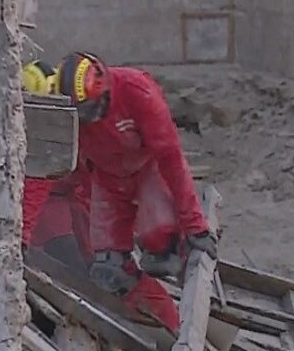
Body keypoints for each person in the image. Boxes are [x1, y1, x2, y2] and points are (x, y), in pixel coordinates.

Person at [46, 52, 216, 333]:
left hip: (148, 170)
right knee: (110, 270)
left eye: (91, 110)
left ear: (105, 91)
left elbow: (172, 159)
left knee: (161, 244)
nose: (90, 120)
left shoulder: (137, 91)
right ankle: (165, 327)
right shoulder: (70, 115)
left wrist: (195, 226)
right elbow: (76, 173)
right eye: (82, 114)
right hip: (108, 179)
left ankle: (191, 320)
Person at [20, 60, 89, 274]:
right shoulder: (45, 133)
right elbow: (38, 182)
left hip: (83, 197)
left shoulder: (81, 111)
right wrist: (22, 239)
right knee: (73, 262)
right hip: (55, 210)